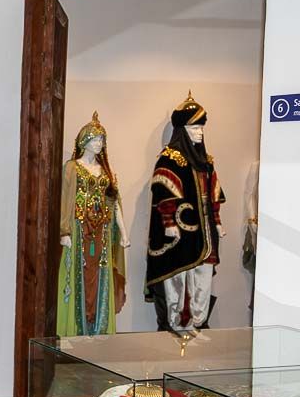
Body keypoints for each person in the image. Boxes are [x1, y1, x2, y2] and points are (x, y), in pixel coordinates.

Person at [145, 93, 226, 331]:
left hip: (205, 232)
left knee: (202, 278)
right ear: (182, 129)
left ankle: (198, 323)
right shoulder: (170, 159)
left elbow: (214, 193)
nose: (200, 131)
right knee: (176, 280)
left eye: (202, 127)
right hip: (180, 232)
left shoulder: (206, 161)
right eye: (195, 127)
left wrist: (218, 221)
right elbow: (163, 192)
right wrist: (169, 222)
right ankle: (176, 324)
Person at [56, 113, 130, 337]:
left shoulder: (106, 172)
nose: (99, 144)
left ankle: (99, 330)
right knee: (78, 275)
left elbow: (114, 203)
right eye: (95, 139)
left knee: (100, 277)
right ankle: (74, 331)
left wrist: (124, 233)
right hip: (79, 232)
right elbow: (64, 199)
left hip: (103, 233)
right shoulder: (72, 168)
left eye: (101, 140)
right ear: (84, 141)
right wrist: (64, 230)